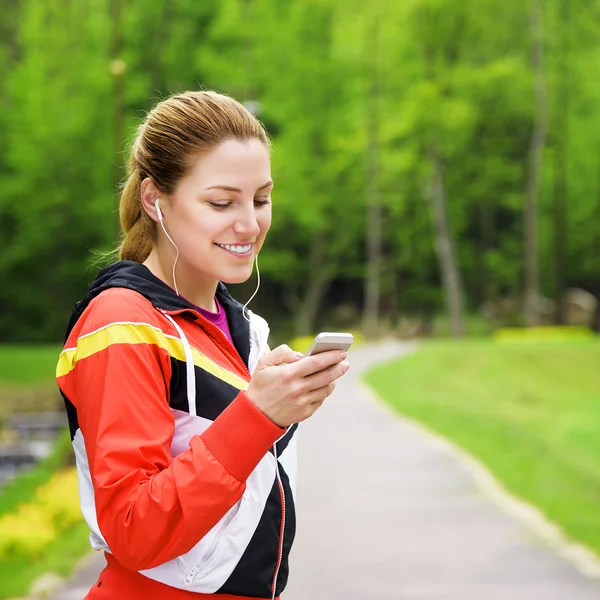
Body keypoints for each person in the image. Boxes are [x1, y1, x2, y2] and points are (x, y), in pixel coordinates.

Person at [56, 90, 350, 600]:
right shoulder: (122, 323)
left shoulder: (244, 328)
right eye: (221, 202)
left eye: (261, 199)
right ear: (154, 200)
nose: (249, 223)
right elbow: (133, 529)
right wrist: (257, 416)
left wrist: (281, 405)